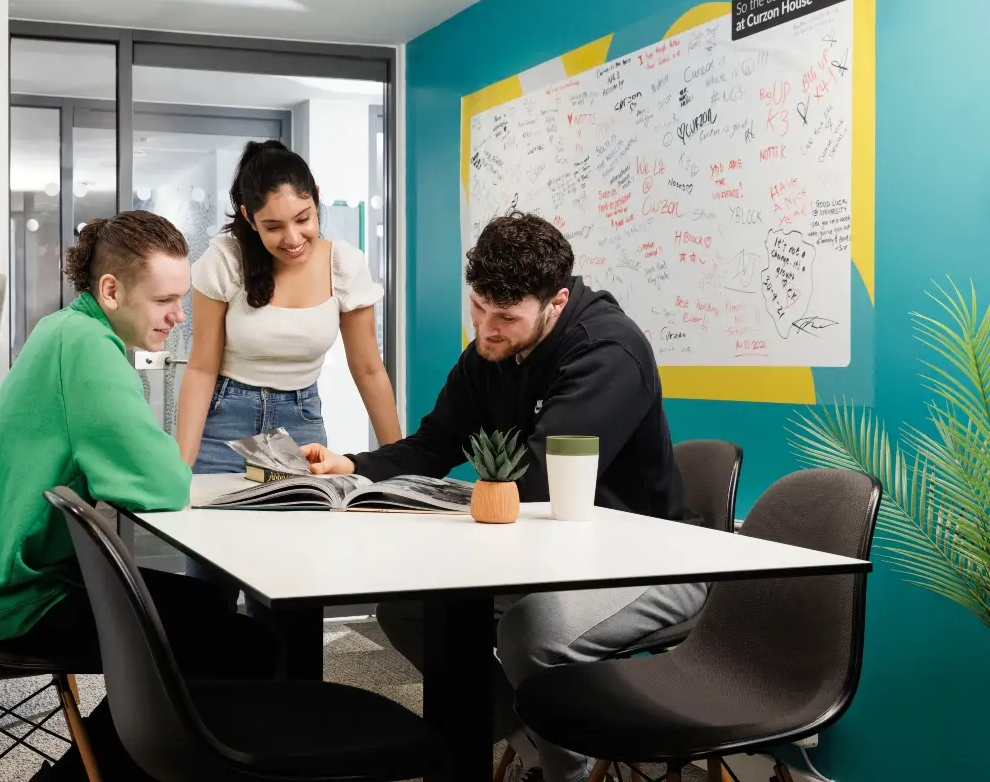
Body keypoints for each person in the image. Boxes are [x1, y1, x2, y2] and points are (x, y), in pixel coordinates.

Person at [303, 211, 708, 782]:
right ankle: (531, 737)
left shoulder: (608, 353)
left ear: (557, 301)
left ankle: (569, 770)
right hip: (551, 556)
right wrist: (357, 466)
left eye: (506, 317)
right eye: (478, 309)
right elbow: (436, 441)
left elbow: (538, 481)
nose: (486, 329)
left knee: (532, 631)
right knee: (412, 611)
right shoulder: (491, 351)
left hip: (650, 563)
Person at [0, 211, 279, 781]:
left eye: (181, 299)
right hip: (14, 599)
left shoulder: (61, 329)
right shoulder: (90, 349)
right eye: (165, 299)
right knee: (245, 648)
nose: (178, 315)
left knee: (205, 612)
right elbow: (163, 485)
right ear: (112, 290)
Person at [174, 138, 401, 472]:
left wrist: (397, 466)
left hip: (301, 425)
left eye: (303, 219)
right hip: (224, 425)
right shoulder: (225, 260)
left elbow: (369, 370)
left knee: (304, 524)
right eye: (273, 227)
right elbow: (201, 369)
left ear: (317, 198)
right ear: (249, 219)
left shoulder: (344, 265)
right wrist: (180, 468)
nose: (293, 239)